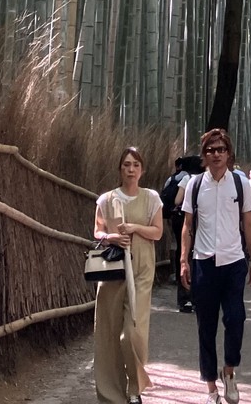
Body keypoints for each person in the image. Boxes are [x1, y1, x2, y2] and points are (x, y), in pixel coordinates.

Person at [180, 127, 251, 403]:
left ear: (229, 153)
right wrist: (183, 260)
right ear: (204, 154)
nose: (216, 154)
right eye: (211, 150)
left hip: (234, 260)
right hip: (204, 262)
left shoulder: (239, 183)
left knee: (236, 318)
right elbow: (187, 225)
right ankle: (211, 388)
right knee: (206, 326)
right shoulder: (194, 185)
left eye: (221, 149)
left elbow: (248, 223)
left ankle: (229, 371)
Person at [93, 146, 164, 404]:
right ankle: (112, 395)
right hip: (113, 269)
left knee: (133, 332)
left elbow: (158, 232)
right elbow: (97, 231)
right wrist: (111, 237)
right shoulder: (106, 199)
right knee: (109, 333)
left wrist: (134, 228)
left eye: (135, 165)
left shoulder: (152, 198)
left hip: (142, 267)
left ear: (142, 170)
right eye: (126, 165)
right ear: (120, 169)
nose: (131, 169)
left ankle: (135, 387)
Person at [162, 153, 203, 311]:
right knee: (198, 257)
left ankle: (184, 298)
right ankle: (197, 297)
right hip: (200, 223)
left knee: (183, 254)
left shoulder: (186, 178)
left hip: (183, 222)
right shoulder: (205, 179)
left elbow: (177, 201)